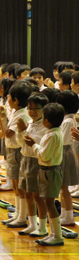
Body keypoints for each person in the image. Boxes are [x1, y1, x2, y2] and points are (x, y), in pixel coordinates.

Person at [24, 103, 65, 246]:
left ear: (46, 120)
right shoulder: (54, 133)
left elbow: (44, 156)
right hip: (48, 170)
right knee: (48, 202)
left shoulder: (52, 135)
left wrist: (33, 145)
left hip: (50, 171)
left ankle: (57, 235)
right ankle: (53, 233)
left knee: (50, 203)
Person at [0, 82, 32, 225]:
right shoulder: (18, 112)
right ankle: (18, 213)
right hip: (13, 151)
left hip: (17, 152)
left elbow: (7, 133)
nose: (8, 98)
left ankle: (22, 217)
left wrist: (1, 117)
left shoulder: (21, 115)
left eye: (9, 96)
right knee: (16, 186)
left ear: (16, 100)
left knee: (19, 186)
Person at [14, 93, 49, 236]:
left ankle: (42, 226)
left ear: (44, 109)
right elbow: (21, 143)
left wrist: (23, 131)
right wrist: (21, 132)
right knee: (27, 193)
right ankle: (32, 224)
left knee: (38, 195)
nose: (32, 112)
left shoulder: (45, 126)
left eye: (36, 108)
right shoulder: (30, 123)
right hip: (25, 158)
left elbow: (35, 142)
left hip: (36, 161)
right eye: (30, 108)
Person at [55, 90, 79, 226]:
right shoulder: (69, 119)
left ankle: (68, 216)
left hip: (64, 153)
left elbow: (62, 141)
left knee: (64, 188)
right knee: (62, 188)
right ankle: (65, 214)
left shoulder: (68, 121)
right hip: (64, 152)